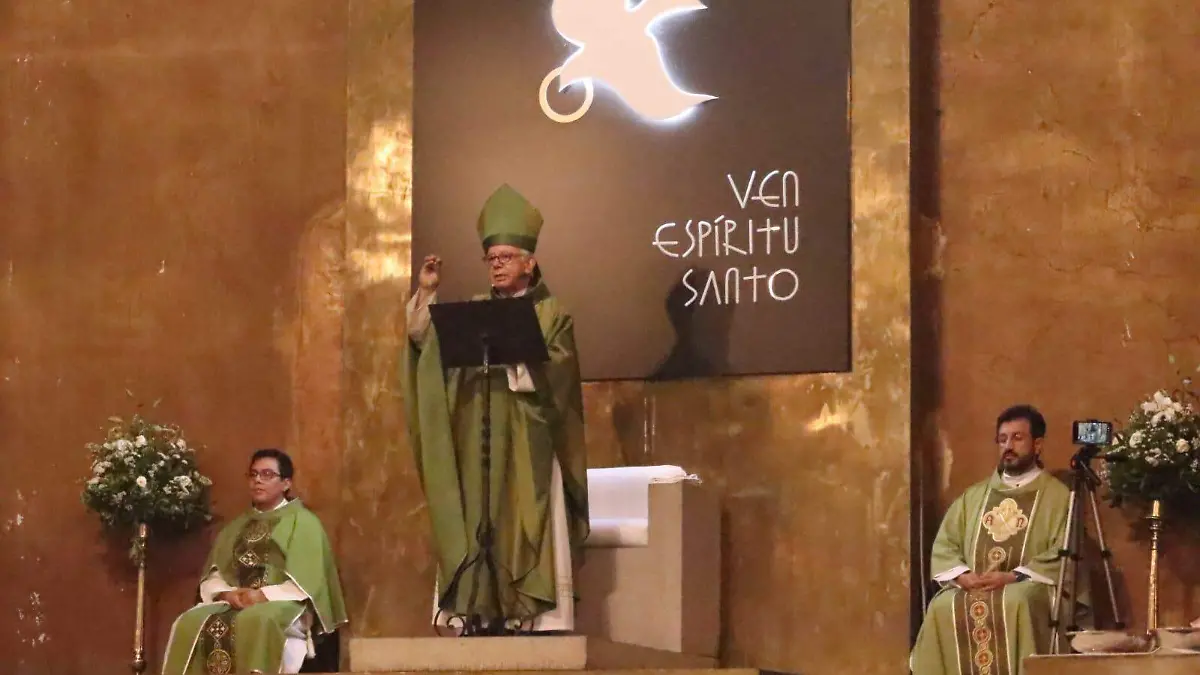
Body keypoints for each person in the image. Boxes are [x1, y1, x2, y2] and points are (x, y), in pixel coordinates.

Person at [402, 183, 589, 633]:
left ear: (530, 262)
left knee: (524, 520)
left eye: (506, 257)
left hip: (529, 438)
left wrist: (523, 362)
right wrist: (427, 294)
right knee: (478, 514)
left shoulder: (552, 313)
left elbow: (561, 375)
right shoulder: (475, 310)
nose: (497, 265)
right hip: (479, 437)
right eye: (491, 258)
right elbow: (428, 347)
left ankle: (531, 615)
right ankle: (478, 610)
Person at [910, 405, 1083, 674]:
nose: (1008, 446)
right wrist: (962, 575)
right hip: (975, 585)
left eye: (1017, 438)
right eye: (1002, 439)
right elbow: (946, 544)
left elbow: (1065, 552)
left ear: (1038, 445)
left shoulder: (1058, 497)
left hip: (1028, 586)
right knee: (941, 605)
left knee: (1017, 601)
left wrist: (1013, 576)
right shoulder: (973, 497)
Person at [161, 449, 347, 675]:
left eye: (267, 474)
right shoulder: (236, 526)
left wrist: (261, 595)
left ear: (286, 483)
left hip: (284, 602)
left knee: (258, 619)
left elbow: (309, 581)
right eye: (253, 474)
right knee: (188, 622)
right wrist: (227, 594)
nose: (258, 480)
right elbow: (215, 574)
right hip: (236, 601)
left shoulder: (304, 523)